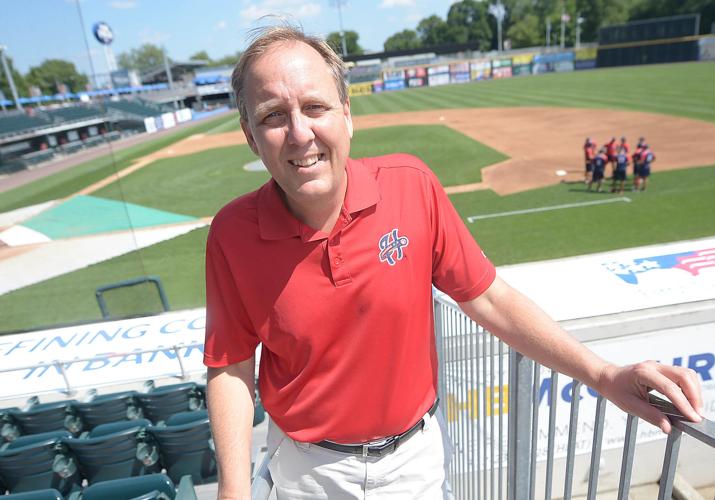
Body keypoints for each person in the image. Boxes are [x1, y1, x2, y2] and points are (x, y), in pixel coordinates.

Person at [203, 26, 702, 499]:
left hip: (414, 463)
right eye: (273, 115)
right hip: (306, 472)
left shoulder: (412, 186)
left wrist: (604, 374)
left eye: (315, 107)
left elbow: (489, 298)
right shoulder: (232, 234)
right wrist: (233, 488)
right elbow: (230, 366)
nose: (299, 132)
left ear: (347, 114)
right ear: (250, 136)